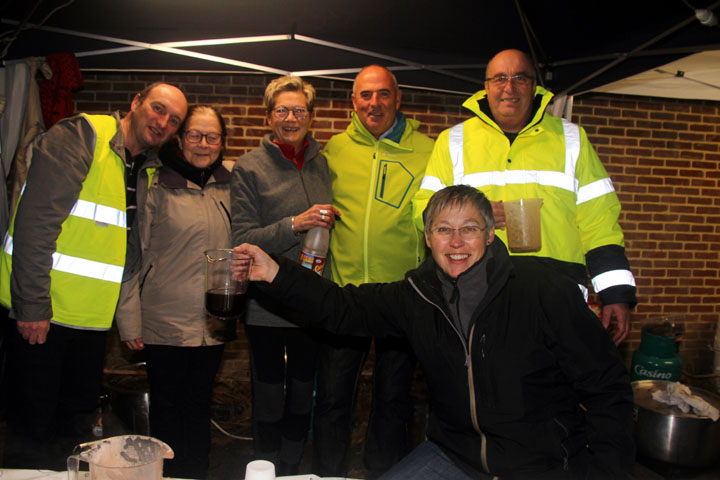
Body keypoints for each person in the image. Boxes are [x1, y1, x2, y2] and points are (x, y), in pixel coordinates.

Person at [233, 185, 635, 480]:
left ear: (491, 233)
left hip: (541, 464)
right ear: (427, 238)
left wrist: (606, 472)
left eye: (469, 229)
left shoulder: (540, 289)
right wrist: (274, 272)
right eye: (443, 229)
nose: (456, 242)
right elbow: (343, 308)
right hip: (453, 457)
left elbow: (607, 385)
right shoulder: (417, 296)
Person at [0, 82, 187, 468]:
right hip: (44, 317)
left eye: (174, 120)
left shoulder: (143, 168)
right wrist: (32, 305)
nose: (163, 122)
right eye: (157, 108)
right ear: (135, 102)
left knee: (75, 437)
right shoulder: (83, 135)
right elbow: (36, 224)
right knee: (31, 436)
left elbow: (124, 252)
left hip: (88, 322)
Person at [412, 49, 636, 345]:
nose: (510, 87)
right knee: (485, 387)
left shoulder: (572, 139)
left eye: (520, 77)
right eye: (500, 78)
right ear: (487, 86)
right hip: (477, 291)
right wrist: (472, 214)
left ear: (534, 86)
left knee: (553, 387)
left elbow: (600, 222)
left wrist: (615, 293)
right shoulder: (453, 141)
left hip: (558, 293)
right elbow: (423, 213)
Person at [316, 64, 435, 477]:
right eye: (365, 95)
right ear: (353, 101)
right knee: (332, 396)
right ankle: (328, 473)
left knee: (392, 397)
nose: (374, 102)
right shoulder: (333, 150)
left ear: (398, 99)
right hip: (345, 294)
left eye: (383, 94)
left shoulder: (428, 150)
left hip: (401, 295)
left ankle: (383, 472)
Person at [114, 105, 232, 479]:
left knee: (199, 404)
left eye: (212, 137)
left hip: (213, 322)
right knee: (166, 406)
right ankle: (164, 475)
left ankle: (196, 473)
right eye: (195, 135)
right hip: (163, 319)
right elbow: (134, 254)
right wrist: (129, 319)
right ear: (180, 139)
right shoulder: (156, 184)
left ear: (222, 143)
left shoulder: (230, 186)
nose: (203, 144)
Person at [231, 75, 338, 475]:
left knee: (301, 395)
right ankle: (265, 467)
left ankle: (292, 467)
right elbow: (241, 236)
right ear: (268, 116)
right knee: (270, 395)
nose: (290, 118)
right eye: (282, 110)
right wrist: (295, 223)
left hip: (311, 299)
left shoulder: (323, 163)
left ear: (310, 116)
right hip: (267, 302)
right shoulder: (249, 167)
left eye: (298, 110)